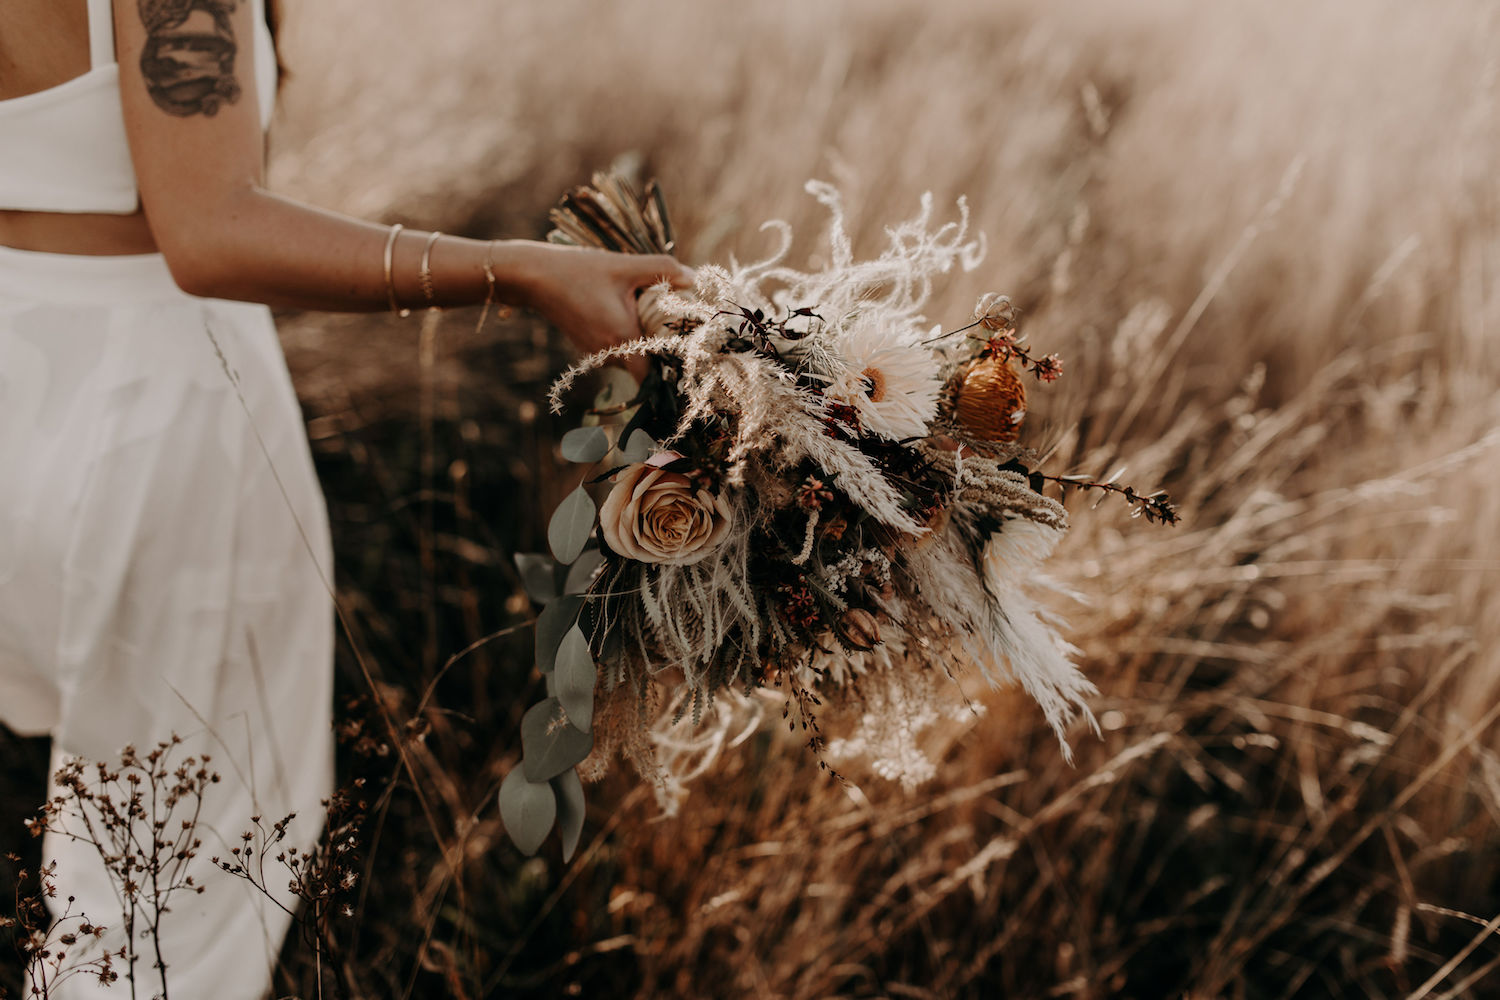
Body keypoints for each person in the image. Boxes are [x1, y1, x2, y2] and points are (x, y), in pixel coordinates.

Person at [0, 0, 691, 996]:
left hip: (22, 375)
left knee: (121, 868)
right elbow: (209, 231)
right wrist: (521, 272)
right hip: (148, 431)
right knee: (166, 908)